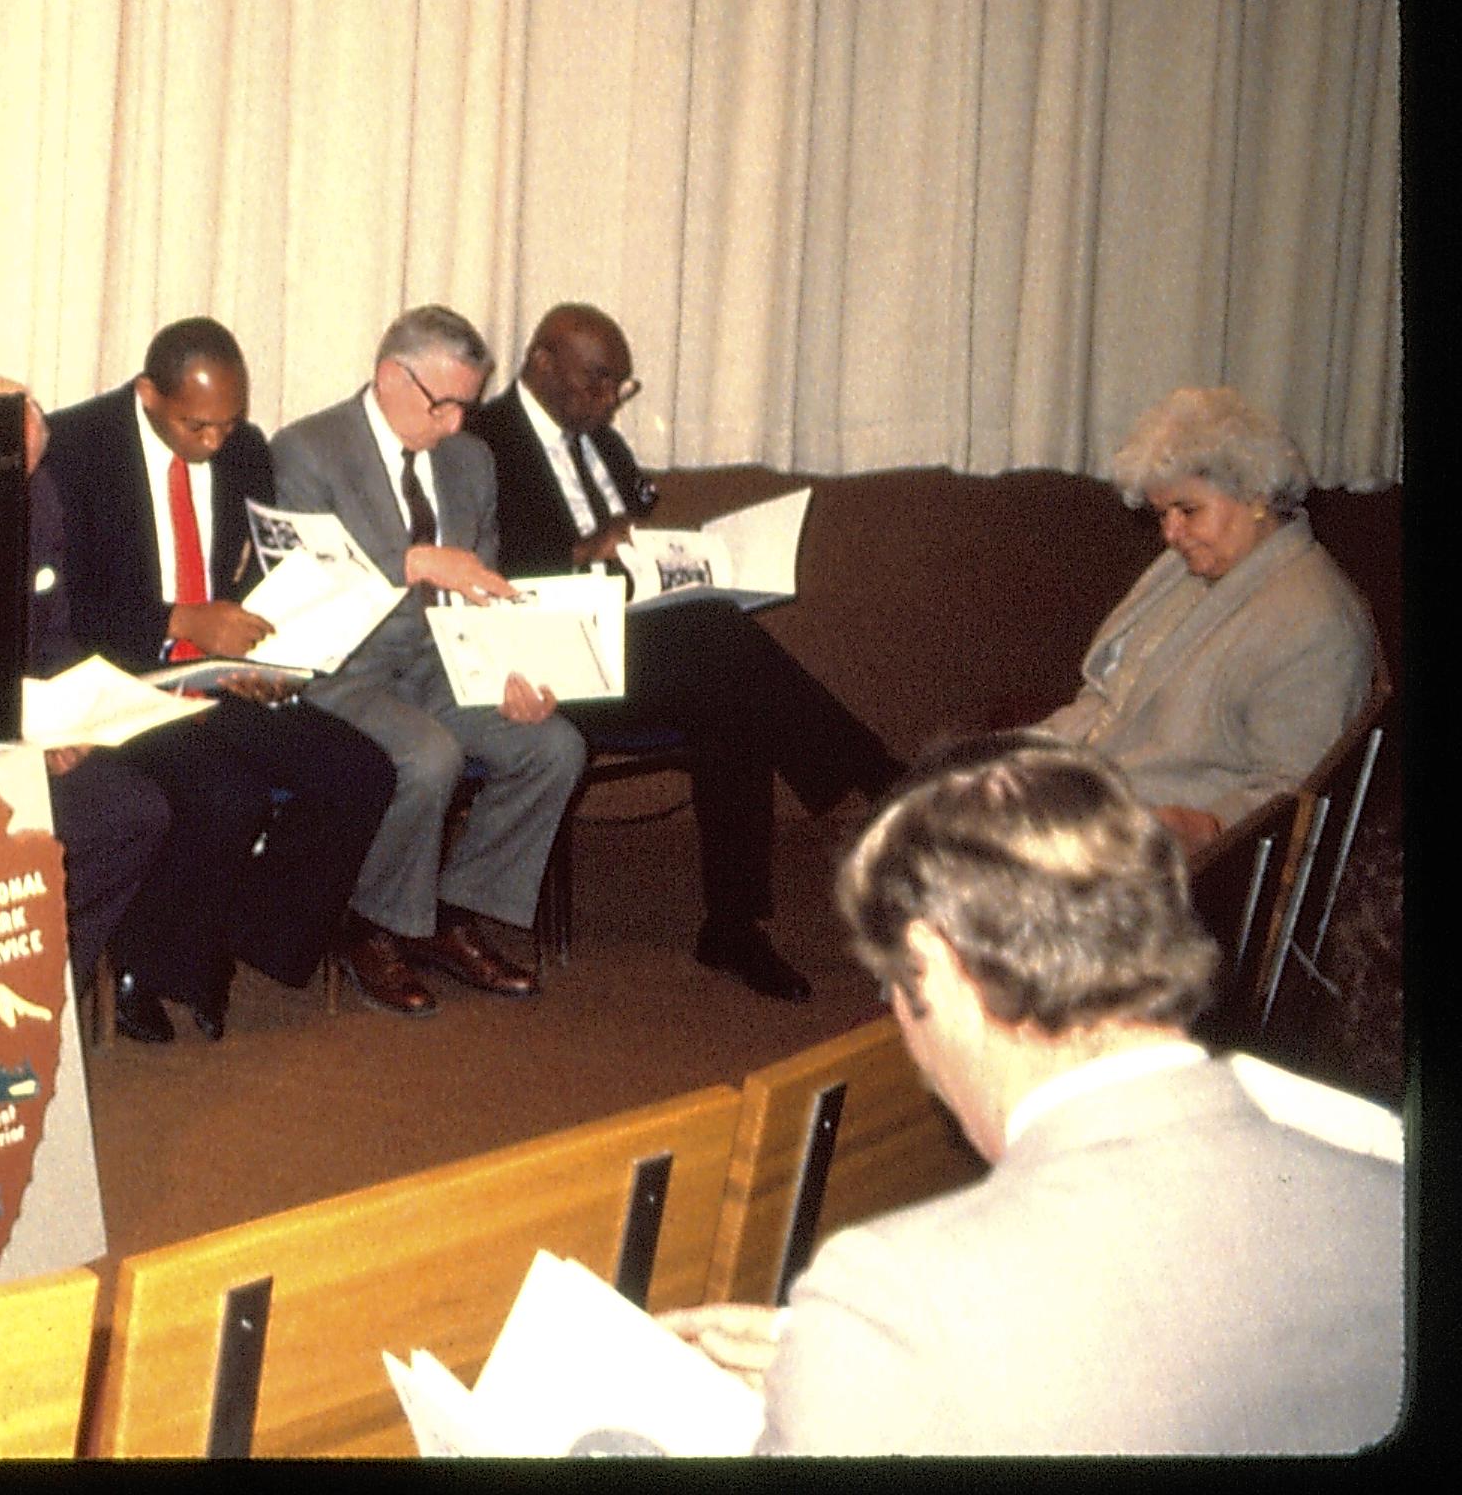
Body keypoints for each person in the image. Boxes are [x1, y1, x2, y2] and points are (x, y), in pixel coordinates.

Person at [664, 735, 1404, 1453]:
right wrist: (839, 1373)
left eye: (891, 986)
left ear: (936, 967)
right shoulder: (1390, 1182)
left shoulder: (891, 1294)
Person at [460, 303, 900, 998]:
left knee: (731, 699)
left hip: (631, 641)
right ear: (540, 364)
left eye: (618, 387)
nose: (608, 401)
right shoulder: (482, 440)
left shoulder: (599, 441)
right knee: (717, 640)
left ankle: (733, 927)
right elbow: (486, 569)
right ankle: (882, 781)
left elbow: (631, 526)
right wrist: (584, 552)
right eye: (595, 382)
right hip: (545, 658)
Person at [37, 320, 399, 1041]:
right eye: (195, 424)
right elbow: (62, 606)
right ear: (147, 393)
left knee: (360, 771)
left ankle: (233, 933)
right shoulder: (75, 450)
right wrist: (179, 618)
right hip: (122, 685)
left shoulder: (245, 450)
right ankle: (153, 964)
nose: (213, 441)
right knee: (221, 794)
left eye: (227, 424)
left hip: (219, 677)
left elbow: (260, 575)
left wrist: (266, 657)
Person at [268, 306, 584, 1015]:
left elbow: (483, 588)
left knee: (554, 747)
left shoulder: (470, 461)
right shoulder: (308, 450)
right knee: (430, 755)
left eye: (465, 408)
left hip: (442, 664)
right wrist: (410, 561)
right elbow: (301, 588)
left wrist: (509, 670)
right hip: (341, 669)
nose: (453, 427)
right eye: (443, 406)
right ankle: (371, 924)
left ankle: (445, 914)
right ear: (390, 377)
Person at [1029, 386, 1379, 852]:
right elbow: (1108, 693)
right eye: (1163, 514)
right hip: (1088, 798)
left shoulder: (1317, 622)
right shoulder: (1190, 568)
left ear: (1254, 495)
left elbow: (1295, 796)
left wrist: (1201, 827)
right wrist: (1031, 753)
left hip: (1162, 853)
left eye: (1188, 510)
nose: (1171, 534)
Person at [0, 375, 172, 996]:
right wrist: (21, 736)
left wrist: (76, 719)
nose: (24, 487)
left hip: (30, 721)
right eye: (9, 472)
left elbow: (56, 632)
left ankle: (51, 989)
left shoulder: (39, 497)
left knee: (133, 812)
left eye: (33, 469)